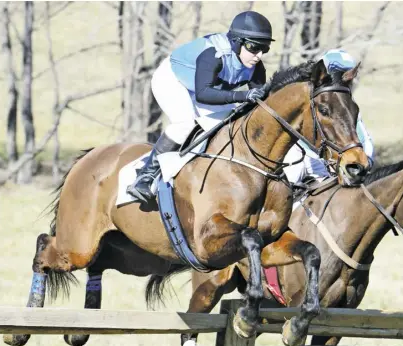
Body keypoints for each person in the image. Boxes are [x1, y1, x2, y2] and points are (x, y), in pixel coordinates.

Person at [127, 11, 274, 203]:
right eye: (254, 47)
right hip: (173, 80)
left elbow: (260, 106)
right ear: (238, 42)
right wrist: (244, 95)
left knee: (228, 124)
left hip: (203, 88)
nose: (259, 55)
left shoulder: (256, 66)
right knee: (185, 125)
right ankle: (145, 176)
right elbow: (204, 94)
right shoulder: (213, 55)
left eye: (265, 49)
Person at [284, 49, 374, 186]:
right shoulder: (305, 94)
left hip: (323, 161)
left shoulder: (347, 107)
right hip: (296, 151)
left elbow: (365, 139)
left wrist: (366, 159)